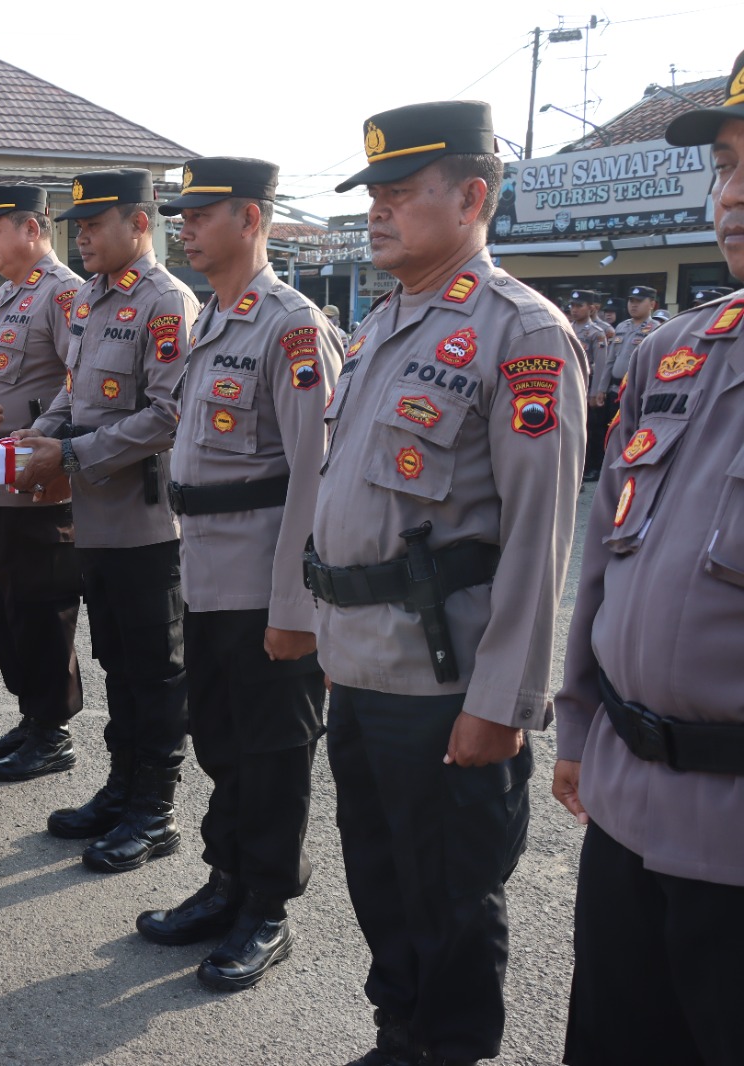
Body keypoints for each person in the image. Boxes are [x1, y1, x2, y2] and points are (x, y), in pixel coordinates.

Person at [309, 100, 587, 1066]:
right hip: (365, 668)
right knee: (381, 880)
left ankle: (450, 1049)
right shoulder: (385, 321)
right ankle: (402, 1037)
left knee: (453, 896)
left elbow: (543, 535)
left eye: (398, 192)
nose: (378, 211)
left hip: (447, 686)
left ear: (472, 195)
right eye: (373, 193)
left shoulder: (523, 334)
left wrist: (503, 704)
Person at [553, 55, 744, 1066]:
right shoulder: (678, 347)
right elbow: (605, 550)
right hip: (626, 817)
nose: (733, 191)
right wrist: (578, 719)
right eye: (724, 162)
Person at [134, 157, 340, 990]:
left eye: (202, 212)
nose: (184, 224)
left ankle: (267, 906)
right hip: (209, 572)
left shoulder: (292, 329)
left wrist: (297, 606)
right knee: (220, 738)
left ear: (250, 219)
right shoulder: (216, 320)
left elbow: (314, 477)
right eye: (182, 212)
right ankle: (225, 880)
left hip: (266, 587)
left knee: (274, 750)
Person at [14, 168, 200, 874]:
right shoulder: (92, 300)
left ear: (140, 225)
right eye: (78, 227)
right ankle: (122, 789)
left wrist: (69, 452)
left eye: (95, 225)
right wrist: (45, 441)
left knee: (156, 672)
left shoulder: (165, 302)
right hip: (97, 516)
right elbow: (74, 391)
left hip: (147, 525)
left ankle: (156, 810)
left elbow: (168, 414)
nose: (82, 238)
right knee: (117, 663)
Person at [0, 184, 85, 781]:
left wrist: (44, 442)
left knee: (41, 609)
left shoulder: (64, 295)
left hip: (34, 490)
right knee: (6, 606)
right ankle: (32, 716)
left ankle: (53, 730)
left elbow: (80, 384)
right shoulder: (11, 293)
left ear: (33, 230)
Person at [586, 285, 661, 484]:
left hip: (638, 389)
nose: (633, 305)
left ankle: (629, 469)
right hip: (614, 388)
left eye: (639, 302)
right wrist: (601, 388)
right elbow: (610, 361)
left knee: (632, 430)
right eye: (631, 301)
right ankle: (607, 468)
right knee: (610, 430)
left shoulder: (657, 329)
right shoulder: (622, 327)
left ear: (652, 304)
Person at [568, 290, 611, 481]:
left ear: (590, 308)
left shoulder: (596, 332)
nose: (574, 309)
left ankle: (592, 466)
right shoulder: (566, 327)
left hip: (587, 383)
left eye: (579, 306)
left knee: (591, 428)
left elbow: (601, 365)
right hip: (568, 382)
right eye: (573, 306)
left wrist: (595, 392)